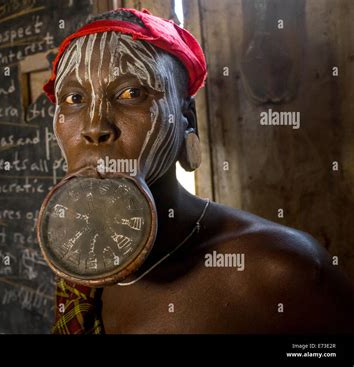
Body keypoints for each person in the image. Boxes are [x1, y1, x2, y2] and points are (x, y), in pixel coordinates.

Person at [41, 8, 354, 334]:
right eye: (74, 98)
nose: (94, 126)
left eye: (131, 93)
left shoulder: (280, 272)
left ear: (186, 117)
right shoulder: (80, 259)